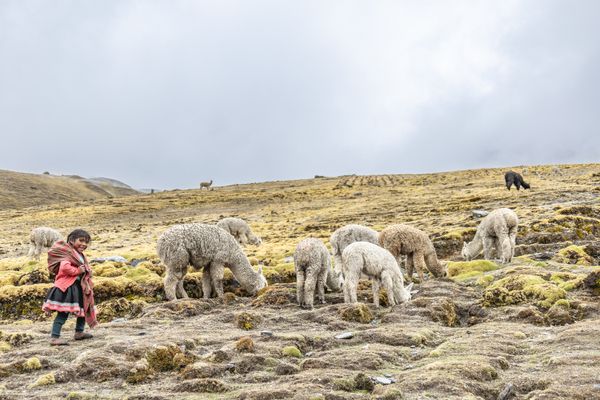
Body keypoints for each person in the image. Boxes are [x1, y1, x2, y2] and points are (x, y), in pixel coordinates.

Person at [43, 229, 97, 345]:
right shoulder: (68, 253)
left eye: (86, 242)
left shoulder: (79, 254)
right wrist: (77, 270)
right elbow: (64, 268)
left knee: (83, 309)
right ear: (72, 240)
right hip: (67, 288)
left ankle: (79, 332)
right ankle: (54, 337)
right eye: (81, 240)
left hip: (78, 287)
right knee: (63, 312)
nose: (84, 244)